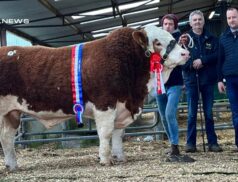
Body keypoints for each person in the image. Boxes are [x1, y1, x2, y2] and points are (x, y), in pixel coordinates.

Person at [182, 10, 222, 153]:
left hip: (208, 80)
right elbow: (180, 60)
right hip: (192, 80)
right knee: (192, 113)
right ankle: (190, 143)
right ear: (190, 23)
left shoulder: (211, 38)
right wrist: (192, 64)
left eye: (200, 19)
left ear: (203, 21)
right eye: (195, 20)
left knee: (209, 112)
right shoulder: (185, 40)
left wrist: (203, 60)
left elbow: (217, 55)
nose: (197, 22)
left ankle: (213, 143)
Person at [156, 14, 194, 162]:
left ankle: (176, 146)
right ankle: (172, 144)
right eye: (165, 24)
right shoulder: (157, 41)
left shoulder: (180, 40)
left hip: (175, 82)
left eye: (171, 24)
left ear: (175, 25)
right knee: (164, 117)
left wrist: (185, 45)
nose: (168, 26)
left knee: (170, 113)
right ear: (162, 25)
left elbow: (187, 55)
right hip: (160, 83)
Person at [217, 7, 238, 151]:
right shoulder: (223, 37)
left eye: (234, 17)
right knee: (236, 112)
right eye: (229, 18)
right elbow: (219, 60)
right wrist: (220, 80)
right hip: (231, 80)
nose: (232, 20)